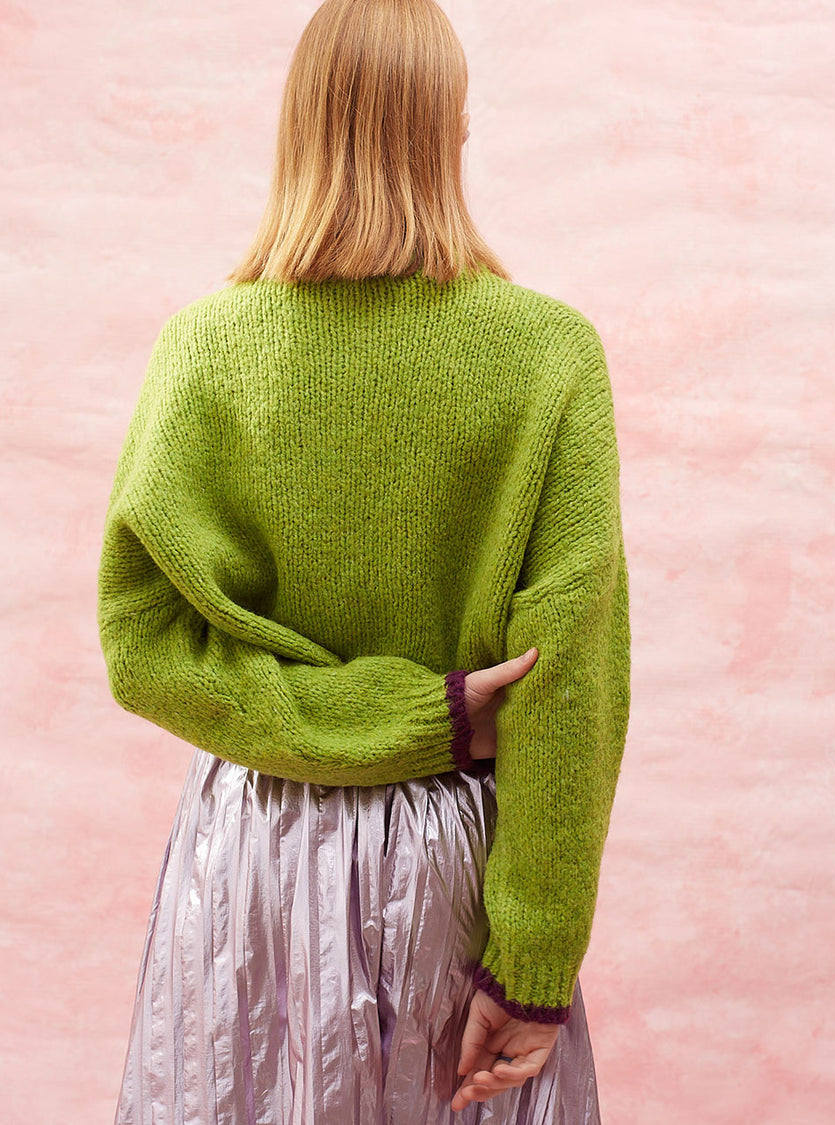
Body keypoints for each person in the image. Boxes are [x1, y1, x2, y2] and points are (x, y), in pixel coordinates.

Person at [96, 0, 631, 1121]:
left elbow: (142, 650)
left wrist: (345, 721)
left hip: (250, 852)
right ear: (453, 130)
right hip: (451, 866)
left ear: (299, 128)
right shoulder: (549, 355)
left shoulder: (203, 349)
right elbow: (569, 681)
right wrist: (530, 963)